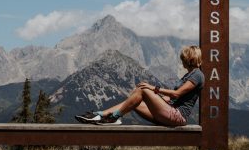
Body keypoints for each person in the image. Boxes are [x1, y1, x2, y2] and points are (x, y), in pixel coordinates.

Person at [75, 45, 205, 126]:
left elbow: (177, 94)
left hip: (177, 117)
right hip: (168, 113)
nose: (182, 61)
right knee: (133, 101)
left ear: (189, 59)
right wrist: (155, 98)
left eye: (183, 59)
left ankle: (114, 117)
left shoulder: (197, 75)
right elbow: (172, 99)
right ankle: (101, 114)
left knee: (142, 89)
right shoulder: (189, 75)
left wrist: (153, 88)